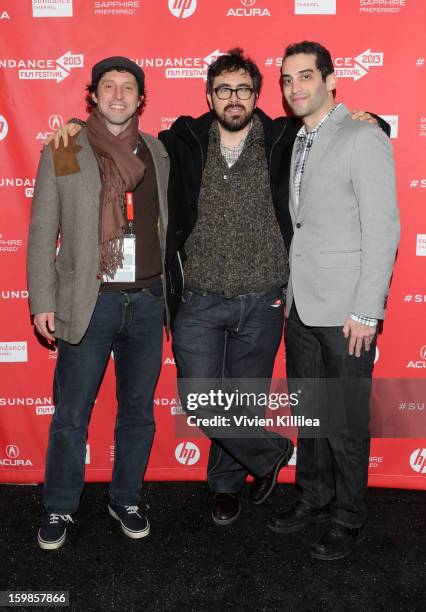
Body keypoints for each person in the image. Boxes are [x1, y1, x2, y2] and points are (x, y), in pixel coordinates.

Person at [50, 48, 386, 528]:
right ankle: (270, 453)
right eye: (224, 89)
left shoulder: (283, 137)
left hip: (264, 299)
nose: (234, 98)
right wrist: (74, 126)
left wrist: (373, 121)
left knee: (244, 398)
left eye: (244, 89)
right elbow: (118, 139)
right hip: (200, 299)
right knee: (202, 398)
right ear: (209, 96)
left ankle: (227, 486)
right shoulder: (181, 141)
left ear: (256, 96)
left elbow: (340, 138)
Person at [27, 56, 169, 550]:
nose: (117, 95)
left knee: (138, 410)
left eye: (127, 87)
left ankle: (125, 496)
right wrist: (42, 298)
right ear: (93, 95)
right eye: (108, 86)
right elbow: (44, 227)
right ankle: (60, 506)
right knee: (71, 412)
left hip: (149, 301)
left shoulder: (156, 151)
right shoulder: (67, 146)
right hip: (89, 301)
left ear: (140, 98)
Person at [267, 41, 400, 561]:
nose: (295, 87)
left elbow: (383, 228)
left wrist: (368, 310)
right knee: (312, 413)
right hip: (301, 304)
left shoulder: (362, 136)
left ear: (331, 79)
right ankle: (314, 496)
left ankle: (349, 516)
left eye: (305, 76)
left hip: (347, 311)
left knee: (344, 419)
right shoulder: (294, 139)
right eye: (286, 79)